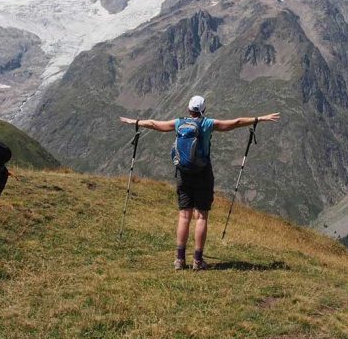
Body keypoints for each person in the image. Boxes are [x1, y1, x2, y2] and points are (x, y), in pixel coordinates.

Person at [119, 95, 279, 271]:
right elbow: (236, 122)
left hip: (183, 173)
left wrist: (134, 121)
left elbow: (155, 124)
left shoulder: (179, 123)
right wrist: (259, 119)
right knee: (201, 217)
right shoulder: (207, 124)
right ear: (204, 110)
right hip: (203, 174)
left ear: (188, 109)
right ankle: (197, 260)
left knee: (184, 216)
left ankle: (179, 260)